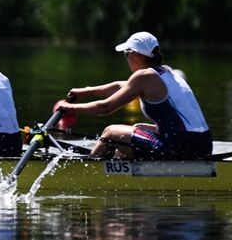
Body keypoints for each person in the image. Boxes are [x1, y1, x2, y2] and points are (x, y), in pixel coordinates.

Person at [54, 31, 211, 159]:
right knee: (136, 129)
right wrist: (86, 91)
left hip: (183, 148)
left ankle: (87, 175)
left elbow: (105, 108)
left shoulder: (144, 77)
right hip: (203, 144)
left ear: (137, 55)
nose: (126, 58)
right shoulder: (166, 72)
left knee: (111, 132)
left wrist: (70, 107)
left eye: (126, 54)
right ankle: (115, 169)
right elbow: (121, 87)